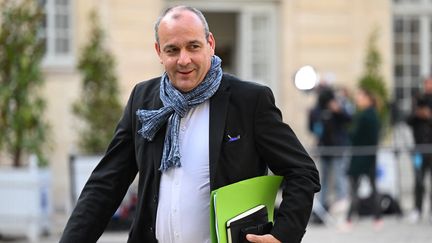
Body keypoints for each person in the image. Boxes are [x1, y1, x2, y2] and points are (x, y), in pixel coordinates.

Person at [59, 5, 320, 243]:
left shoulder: (250, 101)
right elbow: (107, 183)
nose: (184, 60)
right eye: (172, 49)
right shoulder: (144, 99)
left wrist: (283, 235)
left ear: (210, 44)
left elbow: (303, 172)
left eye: (193, 47)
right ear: (159, 52)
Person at [308, 85, 352, 213]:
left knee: (340, 177)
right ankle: (322, 207)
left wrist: (338, 110)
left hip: (338, 148)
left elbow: (349, 119)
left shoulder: (337, 108)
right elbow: (312, 128)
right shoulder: (316, 111)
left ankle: (342, 205)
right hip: (324, 148)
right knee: (323, 180)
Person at [345, 87, 382, 229]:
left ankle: (349, 219)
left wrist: (350, 132)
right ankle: (377, 218)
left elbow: (355, 136)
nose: (357, 99)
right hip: (368, 156)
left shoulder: (366, 116)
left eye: (360, 96)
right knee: (371, 188)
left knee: (355, 189)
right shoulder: (372, 115)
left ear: (368, 98)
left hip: (361, 156)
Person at [406, 77, 432, 223]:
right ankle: (418, 209)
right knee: (418, 180)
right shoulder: (418, 100)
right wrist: (417, 113)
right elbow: (408, 120)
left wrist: (428, 116)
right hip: (419, 147)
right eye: (426, 84)